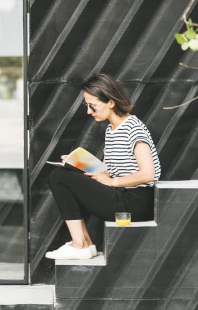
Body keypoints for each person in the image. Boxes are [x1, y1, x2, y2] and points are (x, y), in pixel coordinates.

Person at [45, 73, 161, 260]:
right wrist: (78, 164)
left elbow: (149, 174)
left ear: (111, 102)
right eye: (87, 105)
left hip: (134, 207)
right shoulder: (112, 130)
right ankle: (85, 244)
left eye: (93, 106)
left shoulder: (134, 128)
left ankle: (80, 244)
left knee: (58, 177)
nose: (89, 111)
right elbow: (105, 171)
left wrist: (113, 182)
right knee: (62, 173)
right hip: (122, 198)